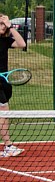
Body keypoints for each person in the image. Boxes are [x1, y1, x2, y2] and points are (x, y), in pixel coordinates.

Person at [0, 13, 26, 158]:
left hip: (4, 81)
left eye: (4, 24)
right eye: (0, 23)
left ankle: (7, 146)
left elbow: (22, 44)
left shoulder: (5, 41)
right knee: (4, 109)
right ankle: (8, 146)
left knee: (3, 112)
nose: (3, 26)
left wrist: (11, 27)